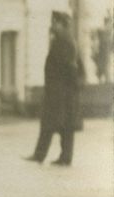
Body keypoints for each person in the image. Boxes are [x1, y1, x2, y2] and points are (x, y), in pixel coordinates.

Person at [25, 11, 84, 167]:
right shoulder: (66, 39)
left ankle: (46, 156)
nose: (52, 25)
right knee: (62, 125)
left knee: (54, 124)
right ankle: (61, 156)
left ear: (61, 24)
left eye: (55, 22)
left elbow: (70, 67)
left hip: (60, 92)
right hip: (61, 91)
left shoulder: (63, 41)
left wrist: (68, 87)